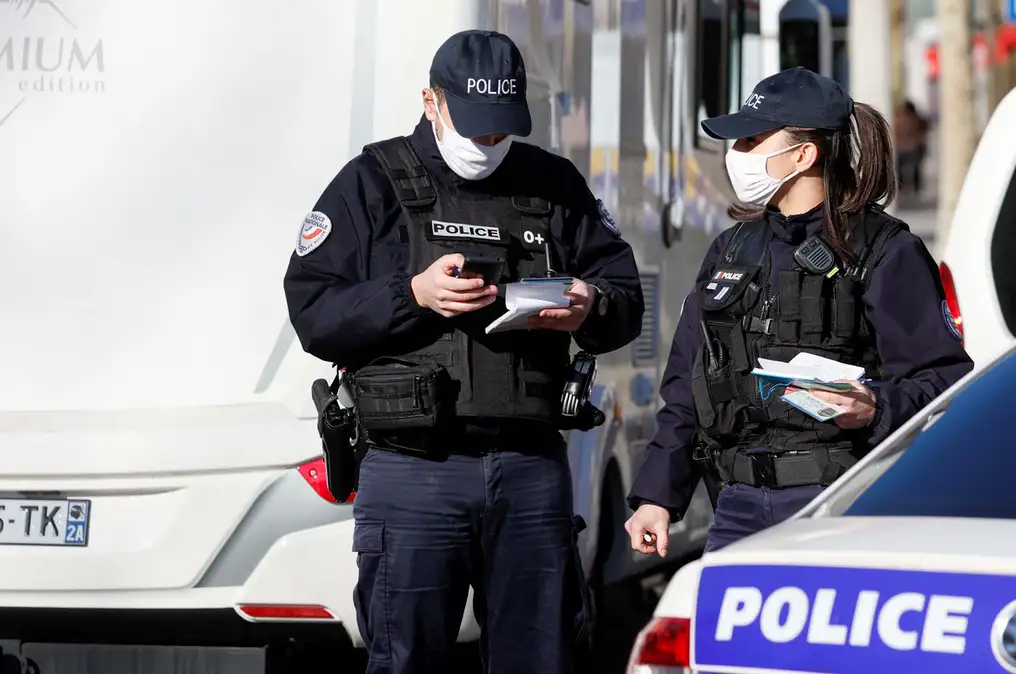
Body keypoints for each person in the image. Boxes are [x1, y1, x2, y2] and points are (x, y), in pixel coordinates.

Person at [283, 29, 644, 674]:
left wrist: (591, 305)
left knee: (542, 658)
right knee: (406, 660)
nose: (489, 141)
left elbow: (624, 297)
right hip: (414, 470)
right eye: (475, 125)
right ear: (431, 101)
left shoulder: (553, 183)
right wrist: (412, 295)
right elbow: (314, 312)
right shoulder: (373, 182)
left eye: (502, 126)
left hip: (529, 466)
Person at [623, 67, 973, 555]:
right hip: (737, 506)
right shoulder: (731, 249)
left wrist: (874, 407)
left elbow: (943, 382)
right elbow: (688, 385)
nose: (735, 154)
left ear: (804, 154)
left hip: (842, 504)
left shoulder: (886, 252)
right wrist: (657, 497)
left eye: (751, 141)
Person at [894, 100, 929, 197]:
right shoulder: (915, 119)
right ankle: (914, 188)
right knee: (913, 168)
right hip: (912, 148)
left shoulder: (899, 119)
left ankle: (903, 187)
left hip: (905, 148)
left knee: (901, 168)